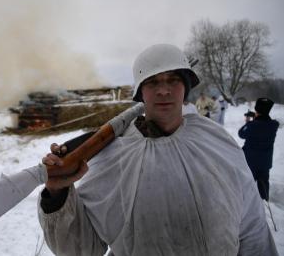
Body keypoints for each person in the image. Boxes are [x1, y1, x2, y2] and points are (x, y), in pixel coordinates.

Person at [38, 44, 278, 255]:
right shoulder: (114, 157)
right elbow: (82, 249)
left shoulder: (216, 141)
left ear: (185, 87)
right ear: (141, 92)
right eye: (153, 82)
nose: (164, 90)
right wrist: (57, 195)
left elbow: (253, 228)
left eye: (173, 79)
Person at [238, 98, 279, 201]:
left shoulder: (252, 125)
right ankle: (265, 202)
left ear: (257, 111)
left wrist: (248, 122)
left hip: (250, 162)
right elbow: (264, 123)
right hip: (265, 162)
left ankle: (247, 204)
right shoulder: (273, 125)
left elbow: (241, 134)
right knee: (264, 185)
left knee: (248, 185)